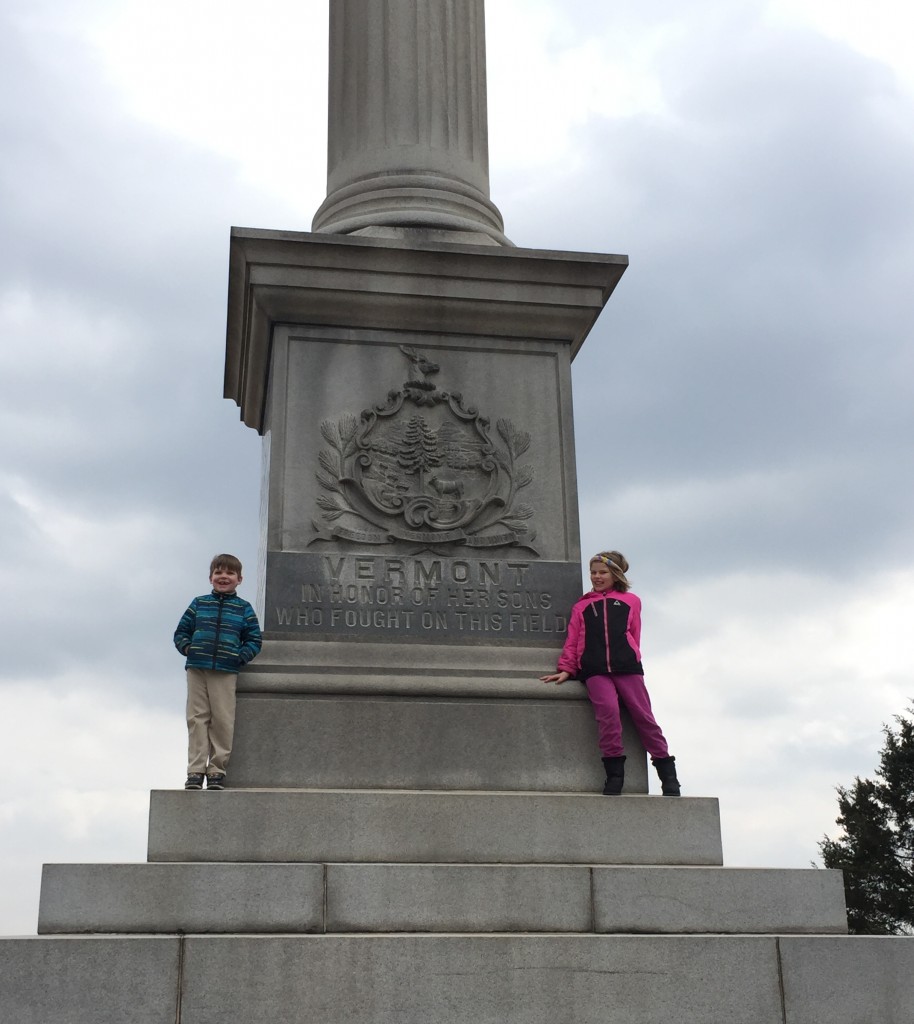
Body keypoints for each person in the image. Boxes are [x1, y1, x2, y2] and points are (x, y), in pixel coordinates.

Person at [540, 551, 681, 796]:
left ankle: (668, 776)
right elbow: (573, 640)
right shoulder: (582, 606)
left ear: (615, 574)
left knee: (644, 718)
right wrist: (566, 669)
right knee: (608, 717)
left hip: (627, 668)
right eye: (593, 572)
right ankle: (615, 775)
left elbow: (634, 634)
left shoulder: (631, 601)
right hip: (595, 670)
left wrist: (631, 656)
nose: (596, 576)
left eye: (602, 572)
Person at [174, 554, 262, 791]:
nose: (224, 577)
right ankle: (195, 770)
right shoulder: (198, 603)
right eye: (219, 573)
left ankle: (216, 769)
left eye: (230, 573)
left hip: (225, 670)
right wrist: (188, 648)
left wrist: (239, 656)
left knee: (222, 720)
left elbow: (254, 639)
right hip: (197, 668)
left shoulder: (244, 609)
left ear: (239, 579)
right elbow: (181, 632)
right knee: (196, 719)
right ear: (210, 577)